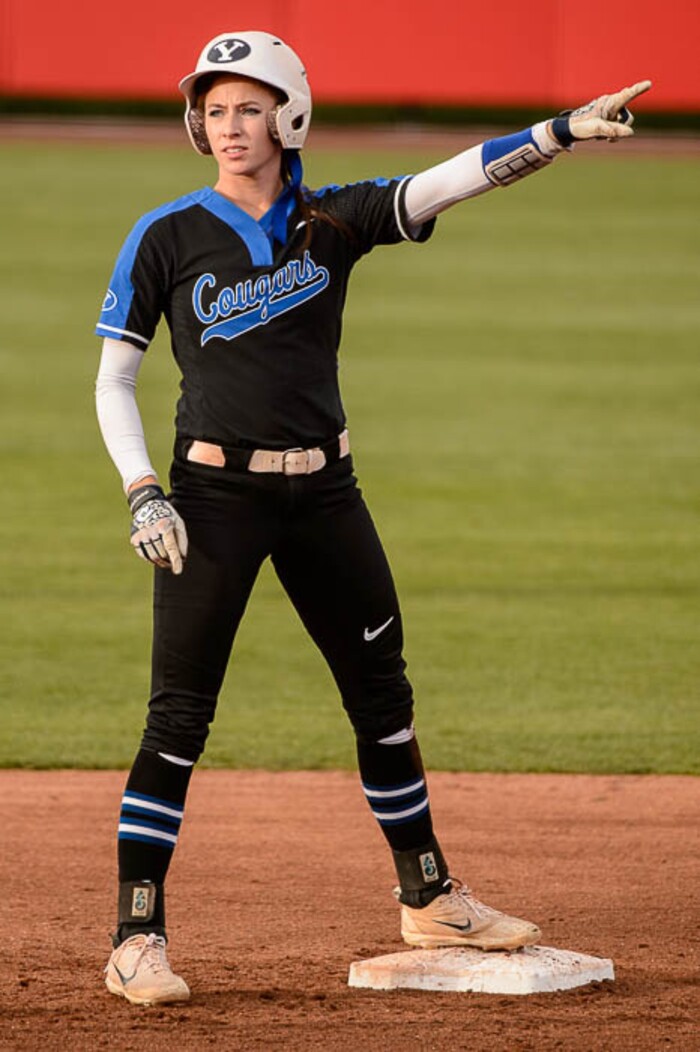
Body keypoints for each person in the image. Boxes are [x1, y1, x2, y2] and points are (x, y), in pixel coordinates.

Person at [95, 30, 650, 1006]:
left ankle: (428, 890)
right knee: (177, 714)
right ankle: (137, 933)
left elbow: (447, 182)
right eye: (214, 108)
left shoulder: (333, 220)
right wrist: (144, 486)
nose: (229, 125)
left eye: (248, 106)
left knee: (381, 694)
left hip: (326, 496)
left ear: (289, 114)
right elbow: (116, 376)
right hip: (212, 500)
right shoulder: (166, 235)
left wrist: (557, 131)